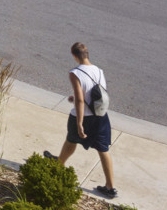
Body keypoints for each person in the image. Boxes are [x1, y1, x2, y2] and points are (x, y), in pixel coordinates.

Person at [46, 41, 117, 199]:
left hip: (83, 116)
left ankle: (58, 166)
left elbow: (79, 100)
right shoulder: (99, 71)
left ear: (74, 55)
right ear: (87, 54)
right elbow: (96, 93)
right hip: (100, 116)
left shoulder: (75, 73)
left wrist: (79, 123)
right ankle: (110, 187)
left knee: (71, 140)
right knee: (103, 148)